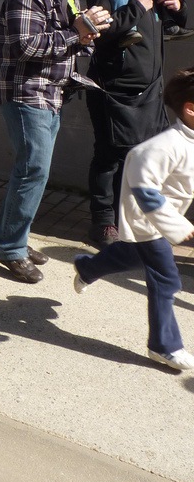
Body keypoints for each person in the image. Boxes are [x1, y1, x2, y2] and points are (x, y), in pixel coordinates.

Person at [0, 0, 112, 284]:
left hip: (52, 95)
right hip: (26, 94)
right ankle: (10, 247)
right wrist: (76, 32)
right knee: (33, 170)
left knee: (30, 170)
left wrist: (89, 30)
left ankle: (13, 237)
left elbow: (79, 45)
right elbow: (26, 46)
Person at [73, 66, 194, 372]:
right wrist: (178, 226)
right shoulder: (164, 146)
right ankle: (164, 346)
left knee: (130, 256)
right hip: (147, 221)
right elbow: (144, 189)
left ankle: (87, 267)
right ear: (190, 109)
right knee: (166, 278)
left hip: (161, 220)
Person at [85, 0, 188, 248]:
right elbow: (100, 33)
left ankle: (129, 219)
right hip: (114, 91)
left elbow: (177, 25)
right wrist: (137, 7)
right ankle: (103, 223)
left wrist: (178, 7)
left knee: (141, 160)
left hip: (150, 93)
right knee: (109, 158)